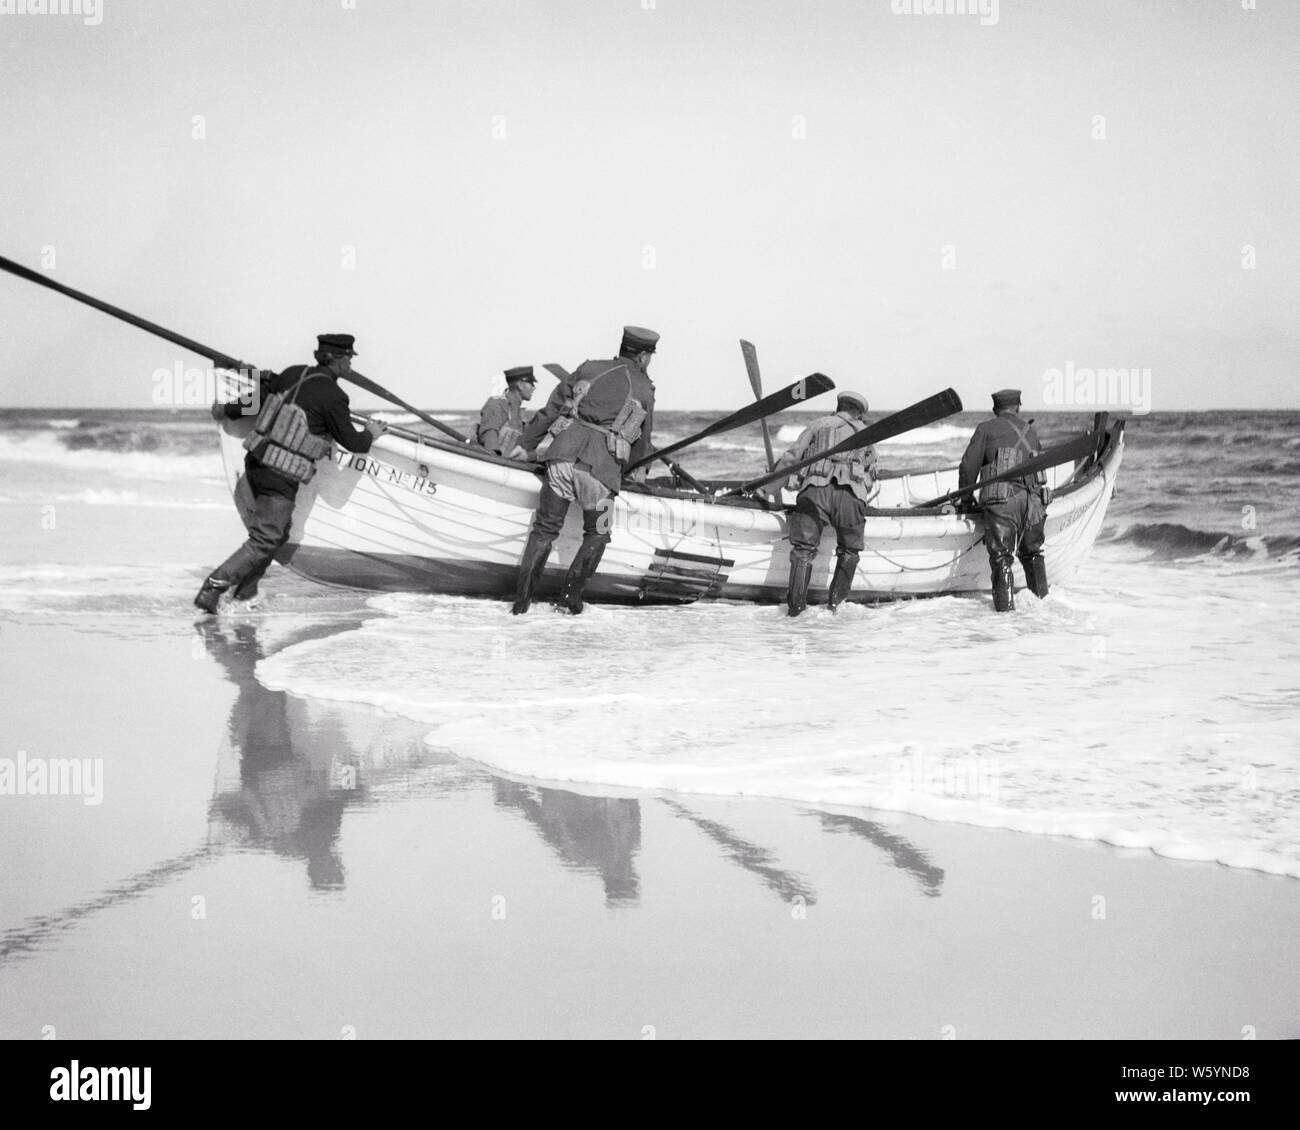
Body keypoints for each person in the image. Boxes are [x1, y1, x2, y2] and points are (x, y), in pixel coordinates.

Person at [194, 333, 386, 614]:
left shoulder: (292, 374)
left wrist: (227, 410)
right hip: (280, 476)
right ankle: (213, 586)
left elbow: (254, 401)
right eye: (348, 359)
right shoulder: (335, 396)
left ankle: (245, 593)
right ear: (338, 360)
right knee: (265, 539)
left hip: (256, 463)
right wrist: (371, 432)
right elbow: (354, 443)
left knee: (278, 534)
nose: (350, 365)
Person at [510, 326, 658, 615]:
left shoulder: (589, 368)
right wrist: (635, 471)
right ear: (643, 356)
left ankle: (521, 605)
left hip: (561, 458)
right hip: (601, 472)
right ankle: (569, 601)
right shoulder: (644, 387)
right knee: (598, 533)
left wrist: (527, 445)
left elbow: (552, 409)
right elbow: (643, 439)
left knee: (544, 530)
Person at [773, 391, 877, 616]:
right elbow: (871, 472)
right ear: (860, 414)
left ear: (838, 406)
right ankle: (834, 609)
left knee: (803, 550)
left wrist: (768, 487)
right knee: (849, 551)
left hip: (815, 491)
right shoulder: (867, 433)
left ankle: (796, 611)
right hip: (851, 496)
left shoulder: (818, 424)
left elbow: (792, 458)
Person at [958, 388, 1050, 612]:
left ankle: (1005, 617)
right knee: (1033, 554)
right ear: (1018, 407)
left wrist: (965, 499)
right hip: (1033, 504)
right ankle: (1044, 610)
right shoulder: (1031, 432)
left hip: (1002, 502)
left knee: (1001, 558)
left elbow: (968, 467)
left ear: (994, 409)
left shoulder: (986, 429)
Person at [475, 365, 540, 456]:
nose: (534, 388)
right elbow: (489, 432)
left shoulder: (518, 413)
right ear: (520, 385)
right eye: (532, 384)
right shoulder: (497, 403)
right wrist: (495, 456)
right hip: (496, 462)